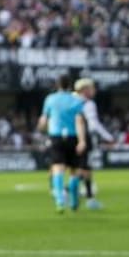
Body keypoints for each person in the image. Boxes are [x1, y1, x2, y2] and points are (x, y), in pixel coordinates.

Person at [37, 75, 88, 214]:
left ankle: (59, 200)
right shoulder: (76, 100)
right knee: (74, 171)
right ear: (69, 85)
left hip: (56, 137)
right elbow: (79, 121)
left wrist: (41, 128)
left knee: (57, 168)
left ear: (57, 85)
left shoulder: (50, 99)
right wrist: (82, 141)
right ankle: (74, 201)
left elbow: (43, 120)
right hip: (72, 137)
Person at [73, 78, 112, 211]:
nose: (94, 91)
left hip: (69, 136)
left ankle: (85, 195)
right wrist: (108, 137)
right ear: (85, 90)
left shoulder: (71, 101)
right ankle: (74, 192)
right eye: (92, 88)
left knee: (80, 167)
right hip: (84, 137)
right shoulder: (88, 104)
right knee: (85, 168)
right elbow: (93, 124)